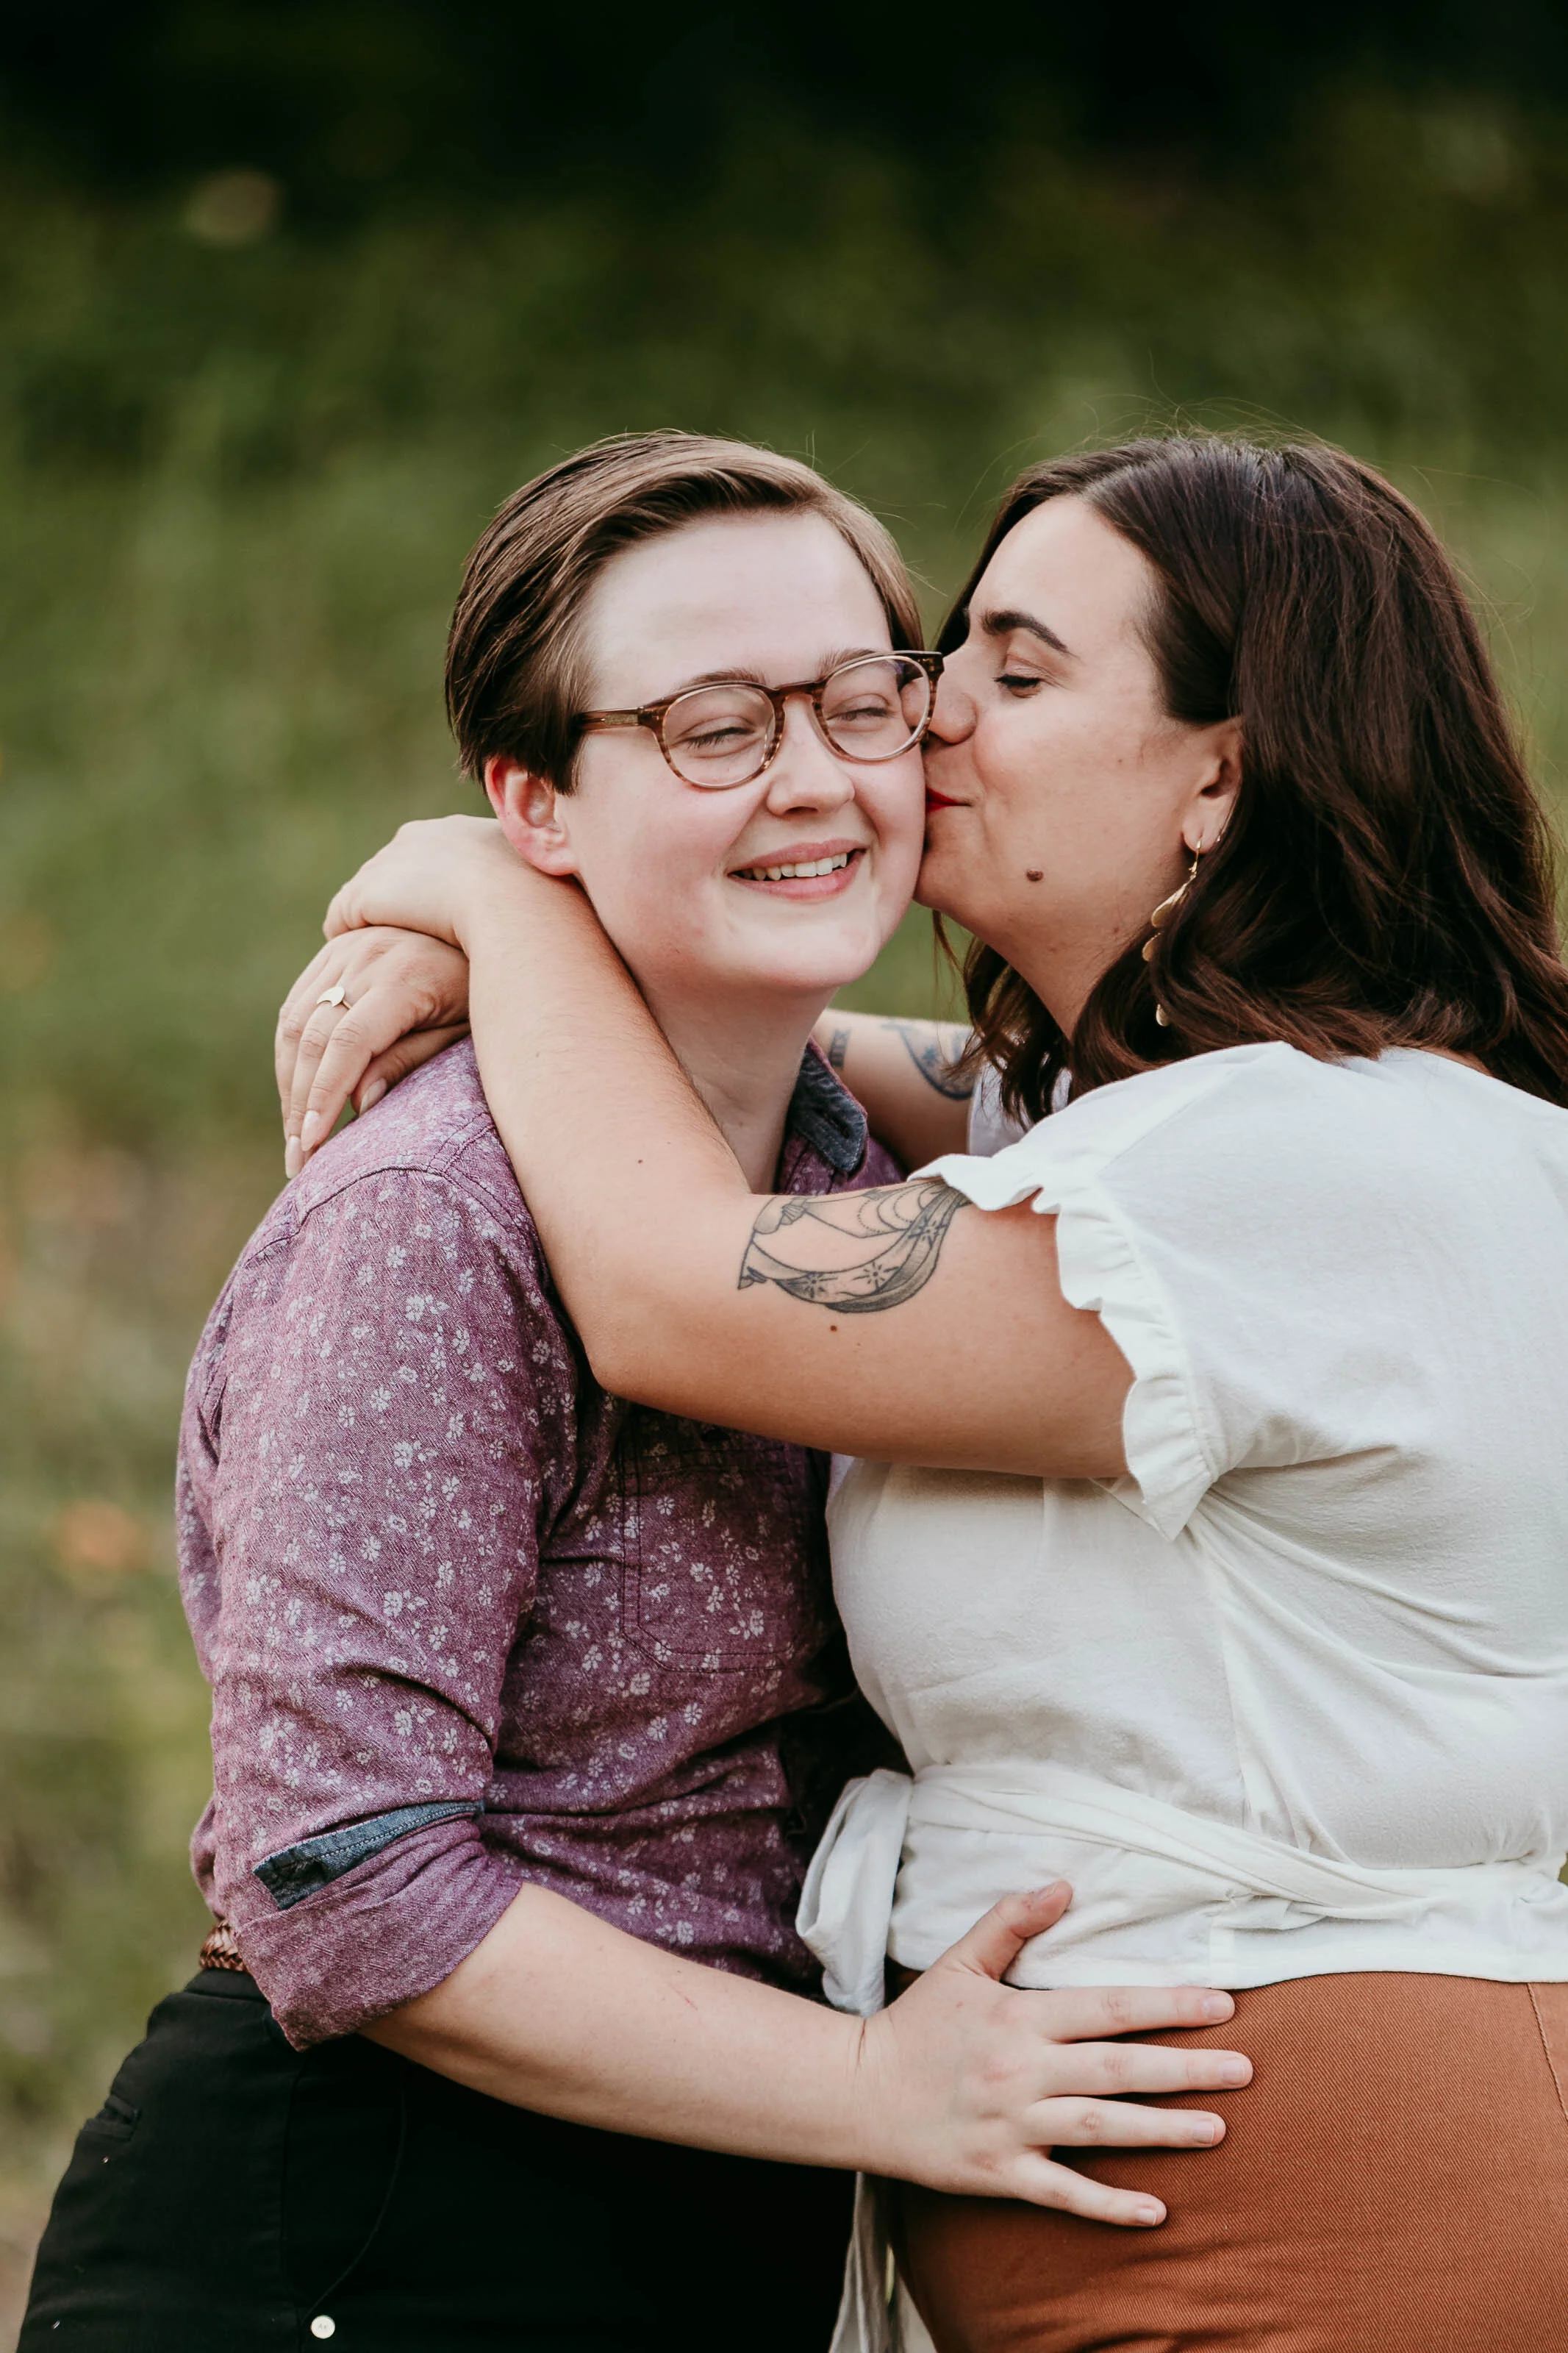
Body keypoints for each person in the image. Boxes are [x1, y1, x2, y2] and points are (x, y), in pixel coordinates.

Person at [297, 432, 1568, 2353]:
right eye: (947, 648)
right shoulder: (1166, 1128)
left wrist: (496, 886)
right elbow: (850, 1066)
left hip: (1300, 2192)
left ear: (1218, 772)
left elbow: (671, 1292)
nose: (921, 714)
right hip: (1187, 2166)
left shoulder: (1296, 1167)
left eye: (1019, 671)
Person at [19, 435, 1249, 2353]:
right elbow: (339, 1877)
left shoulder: (863, 1177)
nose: (812, 775)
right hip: (381, 2230)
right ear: (538, 799)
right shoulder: (432, 1215)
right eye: (706, 725)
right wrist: (872, 2092)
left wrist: (483, 911)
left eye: (860, 701)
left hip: (700, 2227)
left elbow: (1190, 1113)